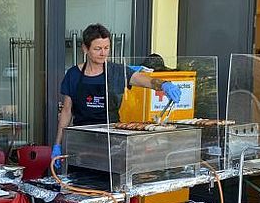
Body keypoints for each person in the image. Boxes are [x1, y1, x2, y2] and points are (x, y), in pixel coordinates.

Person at [51, 24, 182, 166]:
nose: (103, 53)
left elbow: (143, 80)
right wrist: (58, 144)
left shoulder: (116, 72)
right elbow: (66, 111)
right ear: (85, 48)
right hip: (82, 140)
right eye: (97, 48)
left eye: (106, 48)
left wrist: (163, 84)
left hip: (111, 141)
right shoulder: (73, 75)